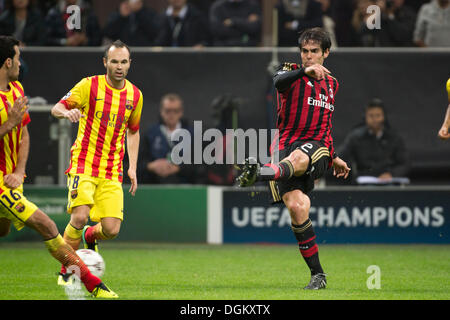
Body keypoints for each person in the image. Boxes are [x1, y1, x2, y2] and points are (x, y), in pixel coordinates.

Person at [0, 35, 117, 298]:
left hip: (9, 179)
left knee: (3, 228)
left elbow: (24, 134)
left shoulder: (16, 91)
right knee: (48, 226)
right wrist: (9, 123)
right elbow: (14, 125)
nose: (21, 63)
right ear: (7, 62)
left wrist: (19, 172)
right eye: (18, 58)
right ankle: (93, 286)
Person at [237, 28, 350, 290]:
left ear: (326, 53)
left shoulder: (332, 83)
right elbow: (278, 82)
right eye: (304, 52)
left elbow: (325, 123)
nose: (308, 57)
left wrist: (333, 157)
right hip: (285, 151)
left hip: (317, 148)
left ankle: (260, 173)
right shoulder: (289, 71)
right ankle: (318, 275)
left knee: (300, 155)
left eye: (314, 52)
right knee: (298, 207)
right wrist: (303, 71)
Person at [51, 40, 143, 286]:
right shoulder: (88, 85)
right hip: (84, 163)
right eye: (114, 61)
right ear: (105, 62)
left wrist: (132, 166)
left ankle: (90, 236)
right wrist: (67, 112)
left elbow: (133, 131)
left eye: (124, 61)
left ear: (130, 63)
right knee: (79, 216)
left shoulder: (135, 95)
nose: (119, 66)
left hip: (113, 169)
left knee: (111, 230)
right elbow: (56, 107)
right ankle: (66, 271)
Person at [337, 98, 409, 183]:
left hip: (388, 182)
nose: (375, 119)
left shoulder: (394, 137)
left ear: (384, 117)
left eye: (378, 115)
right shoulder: (356, 137)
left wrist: (391, 174)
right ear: (365, 117)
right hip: (363, 181)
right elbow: (339, 156)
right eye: (371, 115)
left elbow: (405, 163)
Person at [140, 93, 196, 184]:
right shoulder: (150, 134)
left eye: (175, 111)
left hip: (184, 185)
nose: (171, 115)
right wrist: (150, 166)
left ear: (181, 112)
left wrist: (178, 168)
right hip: (155, 184)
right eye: (168, 111)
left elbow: (198, 165)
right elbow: (139, 162)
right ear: (161, 111)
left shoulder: (192, 134)